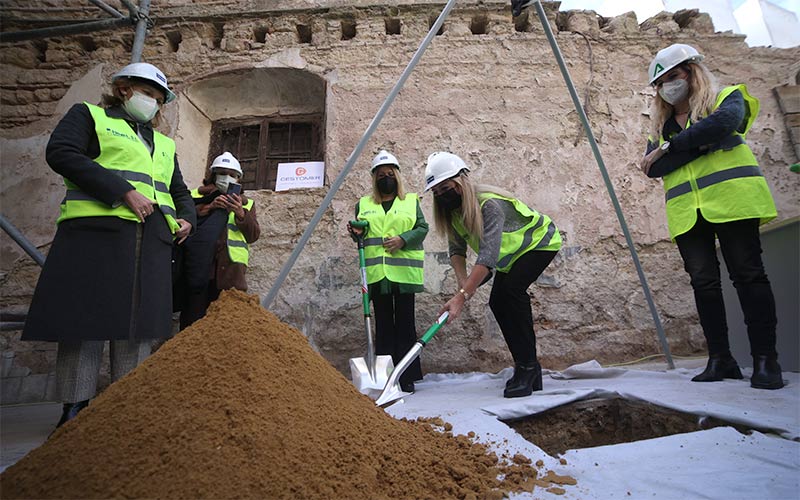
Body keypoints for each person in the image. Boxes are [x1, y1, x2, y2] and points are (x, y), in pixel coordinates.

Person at [21, 62, 196, 428]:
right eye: (148, 93)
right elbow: (62, 153)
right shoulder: (90, 117)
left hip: (151, 241)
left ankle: (126, 411)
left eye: (158, 99)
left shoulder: (164, 144)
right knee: (84, 324)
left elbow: (177, 189)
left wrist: (187, 219)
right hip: (96, 234)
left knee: (139, 327)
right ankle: (74, 411)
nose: (153, 103)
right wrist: (121, 192)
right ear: (123, 89)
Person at [640, 44, 783, 389]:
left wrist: (673, 146)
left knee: (748, 277)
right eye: (660, 83)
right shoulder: (660, 126)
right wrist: (700, 142)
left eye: (672, 77)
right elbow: (653, 169)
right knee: (704, 285)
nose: (667, 87)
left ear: (691, 72)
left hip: (733, 201)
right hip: (688, 213)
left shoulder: (726, 98)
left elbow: (726, 124)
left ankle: (766, 361)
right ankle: (721, 359)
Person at [424, 152, 561, 398]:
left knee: (511, 293)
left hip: (540, 243)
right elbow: (456, 250)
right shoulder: (454, 214)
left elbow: (486, 258)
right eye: (435, 192)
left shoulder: (490, 205)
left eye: (445, 188)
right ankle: (529, 369)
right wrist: (462, 285)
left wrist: (462, 296)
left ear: (459, 182)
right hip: (512, 258)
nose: (441, 196)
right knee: (498, 302)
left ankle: (527, 368)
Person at [347, 150, 428, 393]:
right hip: (377, 275)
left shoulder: (411, 201)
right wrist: (355, 233)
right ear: (374, 178)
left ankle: (406, 376)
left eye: (390, 174)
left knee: (405, 325)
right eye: (381, 175)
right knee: (383, 325)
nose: (386, 178)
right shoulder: (363, 204)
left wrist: (403, 239)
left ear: (397, 176)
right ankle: (385, 377)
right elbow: (361, 235)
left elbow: (422, 228)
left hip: (404, 275)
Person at [174, 152, 260, 329]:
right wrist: (209, 207)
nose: (227, 178)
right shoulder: (192, 196)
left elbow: (253, 236)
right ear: (213, 175)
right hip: (196, 269)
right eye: (222, 172)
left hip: (230, 272)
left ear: (238, 179)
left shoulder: (246, 204)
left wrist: (240, 213)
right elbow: (181, 225)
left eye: (232, 175)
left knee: (226, 327)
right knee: (193, 323)